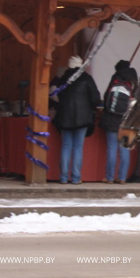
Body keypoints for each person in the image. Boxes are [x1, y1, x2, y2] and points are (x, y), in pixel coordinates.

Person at [53, 56, 100, 185]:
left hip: (64, 117)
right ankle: (75, 177)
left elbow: (56, 95)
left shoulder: (63, 79)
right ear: (81, 66)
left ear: (69, 66)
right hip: (83, 118)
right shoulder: (87, 78)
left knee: (66, 146)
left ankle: (63, 178)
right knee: (78, 147)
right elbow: (96, 98)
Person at [100, 60, 138, 184]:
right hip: (127, 120)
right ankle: (122, 178)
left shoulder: (115, 79)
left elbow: (107, 98)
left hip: (111, 119)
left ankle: (110, 177)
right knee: (124, 149)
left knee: (112, 149)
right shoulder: (133, 80)